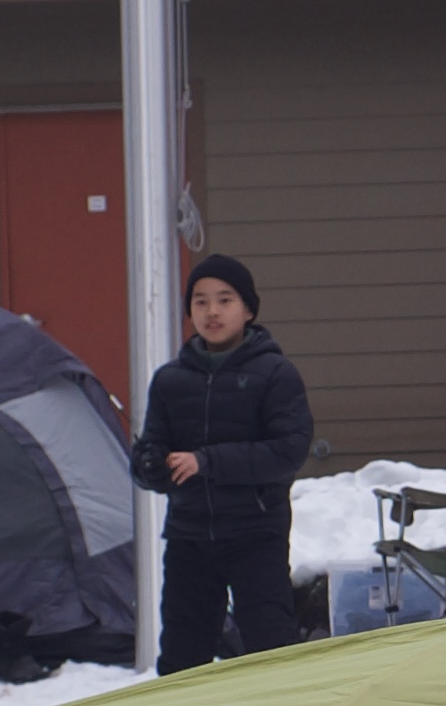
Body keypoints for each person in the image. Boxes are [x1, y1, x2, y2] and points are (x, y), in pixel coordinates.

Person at [130, 254, 315, 672]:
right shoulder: (170, 380)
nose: (212, 311)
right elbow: (149, 449)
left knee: (271, 649)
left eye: (224, 300)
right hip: (189, 536)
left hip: (256, 532)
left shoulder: (275, 373)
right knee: (182, 655)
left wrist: (207, 462)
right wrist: (151, 466)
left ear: (248, 310)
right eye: (200, 301)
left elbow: (288, 451)